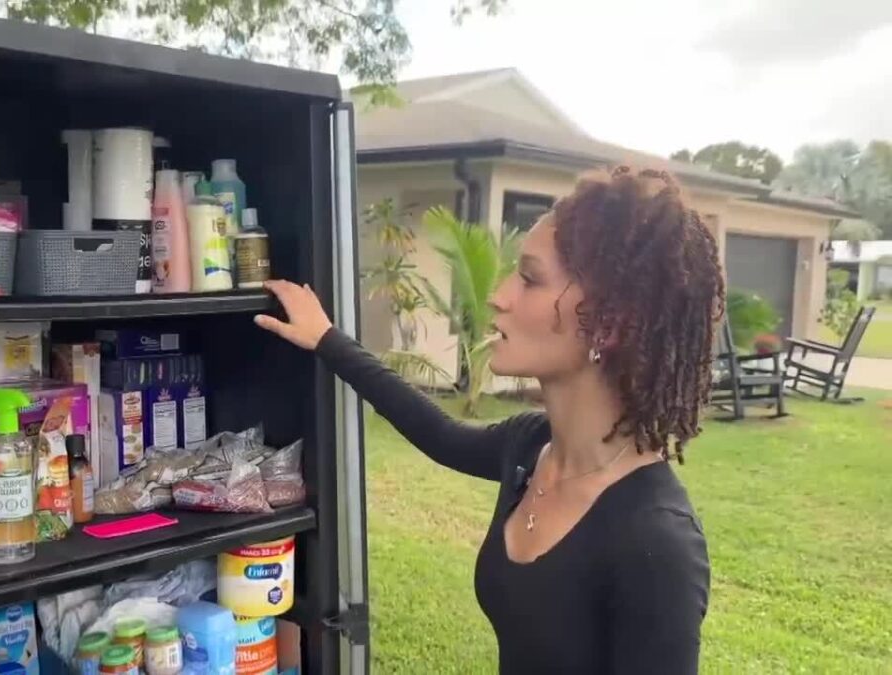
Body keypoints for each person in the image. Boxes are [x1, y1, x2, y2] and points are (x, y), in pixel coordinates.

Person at [255, 166, 721, 674]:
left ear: (609, 322)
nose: (499, 295)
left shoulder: (655, 542)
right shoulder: (531, 448)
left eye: (530, 278)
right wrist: (327, 339)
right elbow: (440, 434)